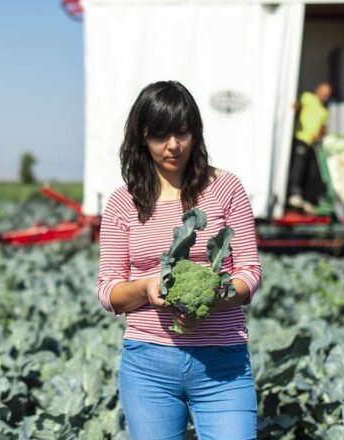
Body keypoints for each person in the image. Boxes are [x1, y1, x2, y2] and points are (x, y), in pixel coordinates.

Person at [96, 81, 262, 439]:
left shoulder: (226, 188)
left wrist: (214, 297)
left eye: (182, 133)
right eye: (160, 135)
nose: (173, 145)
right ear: (142, 136)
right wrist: (146, 288)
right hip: (148, 365)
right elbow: (108, 290)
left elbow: (249, 272)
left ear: (195, 133)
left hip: (223, 363)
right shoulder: (122, 203)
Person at [288, 81, 332, 212]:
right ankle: (293, 193)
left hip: (312, 144)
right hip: (301, 138)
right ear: (317, 90)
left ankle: (306, 197)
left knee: (311, 171)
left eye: (328, 95)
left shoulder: (324, 110)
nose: (325, 96)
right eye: (324, 93)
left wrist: (320, 134)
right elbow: (296, 105)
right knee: (298, 167)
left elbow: (324, 128)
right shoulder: (308, 97)